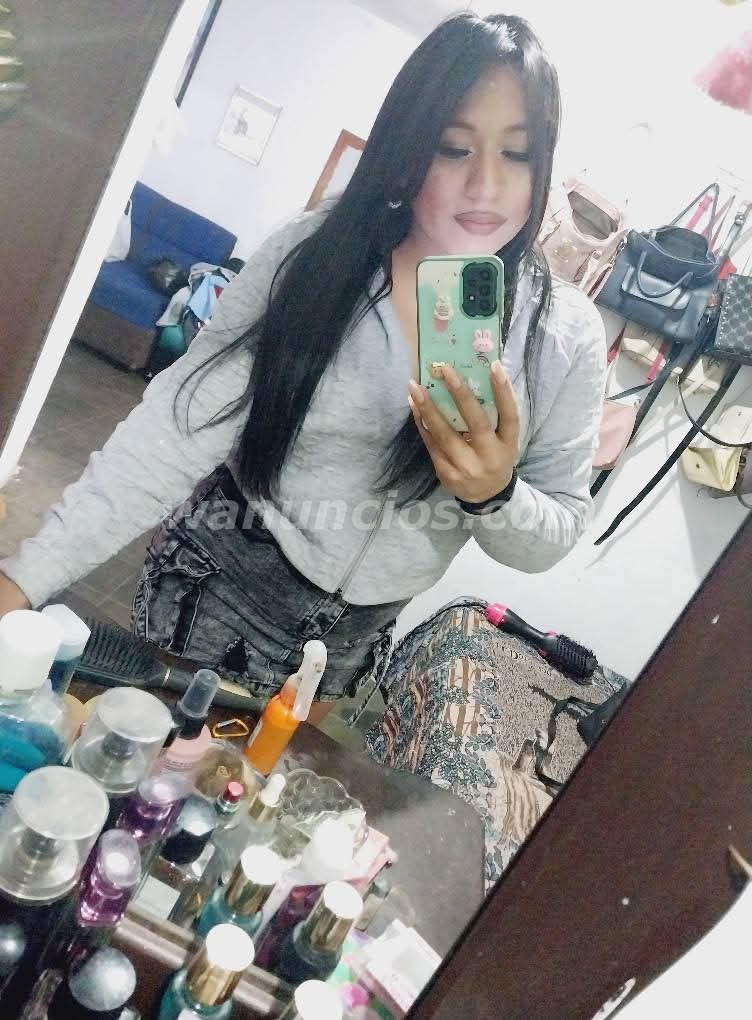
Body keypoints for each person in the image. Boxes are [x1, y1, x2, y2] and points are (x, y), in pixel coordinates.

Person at [0, 13, 606, 724]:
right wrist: (26, 577)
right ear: (410, 145)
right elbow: (177, 425)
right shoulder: (317, 254)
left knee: (259, 780)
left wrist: (494, 495)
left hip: (350, 645)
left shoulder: (564, 337)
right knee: (147, 758)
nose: (486, 185)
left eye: (518, 154)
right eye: (453, 147)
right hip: (221, 580)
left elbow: (553, 532)